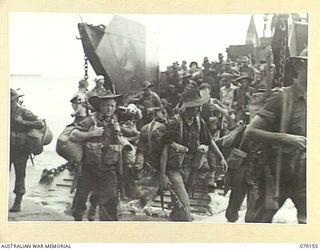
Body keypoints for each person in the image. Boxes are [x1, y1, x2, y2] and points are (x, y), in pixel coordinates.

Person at [246, 50, 307, 223]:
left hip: (305, 174)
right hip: (278, 173)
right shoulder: (281, 97)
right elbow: (250, 131)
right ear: (299, 68)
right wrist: (285, 138)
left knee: (308, 222)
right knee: (261, 221)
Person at [159, 89, 228, 221]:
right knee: (185, 204)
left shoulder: (199, 121)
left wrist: (221, 158)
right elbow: (165, 149)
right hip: (174, 169)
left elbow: (209, 141)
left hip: (190, 167)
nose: (200, 109)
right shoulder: (174, 123)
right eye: (197, 106)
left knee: (178, 203)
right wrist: (162, 175)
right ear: (189, 108)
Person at [70, 88, 123, 221]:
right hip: (89, 169)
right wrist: (91, 134)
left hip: (108, 169)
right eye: (107, 106)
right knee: (80, 200)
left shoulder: (115, 123)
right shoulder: (90, 121)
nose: (110, 109)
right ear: (100, 106)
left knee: (110, 200)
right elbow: (73, 134)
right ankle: (77, 222)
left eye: (112, 106)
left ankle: (108, 233)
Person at [10, 89, 45, 212]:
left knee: (20, 175)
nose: (10, 104)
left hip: (20, 150)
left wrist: (22, 122)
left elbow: (40, 123)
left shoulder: (23, 112)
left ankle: (17, 202)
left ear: (16, 101)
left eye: (12, 101)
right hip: (6, 149)